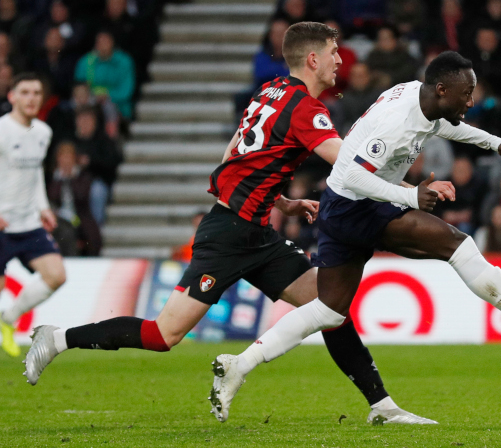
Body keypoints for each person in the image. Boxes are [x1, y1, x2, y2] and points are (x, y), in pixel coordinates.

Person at [24, 23, 436, 426]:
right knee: (162, 336)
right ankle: (57, 338)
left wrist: (284, 203)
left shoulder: (270, 91)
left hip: (255, 231)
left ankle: (381, 404)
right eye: (333, 53)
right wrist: (412, 191)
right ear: (312, 58)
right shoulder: (305, 109)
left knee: (330, 307)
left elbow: (232, 160)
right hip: (228, 235)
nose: (340, 61)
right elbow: (351, 168)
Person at [211, 51, 501, 422]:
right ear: (441, 89)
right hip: (356, 207)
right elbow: (356, 174)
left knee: (327, 311)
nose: (471, 101)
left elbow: (441, 126)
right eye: (466, 93)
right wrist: (411, 196)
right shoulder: (396, 123)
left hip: (344, 206)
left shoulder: (418, 98)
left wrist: (491, 142)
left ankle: (240, 365)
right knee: (458, 245)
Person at [0, 74, 65, 358]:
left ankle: (7, 320)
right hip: (2, 224)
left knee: (56, 275)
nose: (31, 98)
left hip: (28, 223)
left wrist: (43, 207)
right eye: (24, 92)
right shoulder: (2, 130)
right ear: (12, 96)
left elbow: (36, 171)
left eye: (36, 93)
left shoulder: (43, 132)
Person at [47, 141, 102, 256]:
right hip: (59, 219)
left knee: (88, 234)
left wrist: (71, 179)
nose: (66, 161)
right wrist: (60, 179)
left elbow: (81, 197)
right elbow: (52, 198)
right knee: (64, 232)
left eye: (69, 157)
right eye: (63, 157)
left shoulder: (83, 177)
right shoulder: (52, 179)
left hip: (79, 217)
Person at [74, 31, 136, 121]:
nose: (103, 45)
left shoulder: (124, 61)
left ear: (112, 43)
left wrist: (107, 96)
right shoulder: (86, 61)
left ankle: (112, 133)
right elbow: (78, 85)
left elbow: (126, 90)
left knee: (108, 106)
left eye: (106, 42)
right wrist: (87, 96)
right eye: (100, 42)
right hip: (89, 100)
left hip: (116, 103)